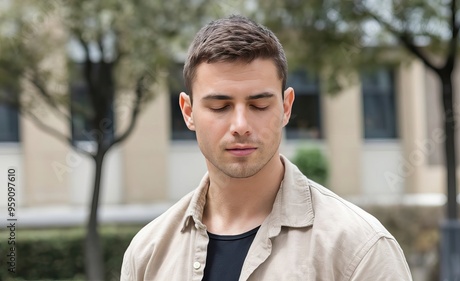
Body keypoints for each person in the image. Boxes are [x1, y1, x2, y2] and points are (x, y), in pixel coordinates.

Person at [121, 15, 412, 281]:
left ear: (286, 107)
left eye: (259, 105)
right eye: (220, 106)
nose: (240, 124)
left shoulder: (358, 248)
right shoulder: (148, 253)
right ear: (188, 111)